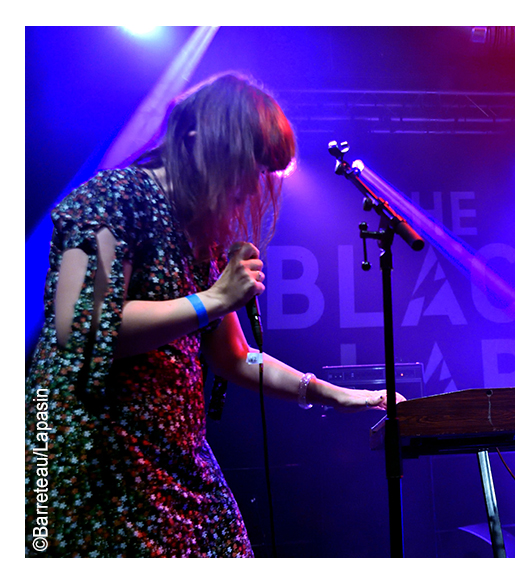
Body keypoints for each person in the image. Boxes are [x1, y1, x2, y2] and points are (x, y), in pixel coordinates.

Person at [25, 72, 403, 558]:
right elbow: (80, 325)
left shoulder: (197, 236)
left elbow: (235, 356)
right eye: (248, 162)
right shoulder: (113, 197)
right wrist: (215, 298)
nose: (252, 185)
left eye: (263, 169)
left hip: (172, 455)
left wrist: (339, 395)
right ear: (195, 138)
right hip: (90, 453)